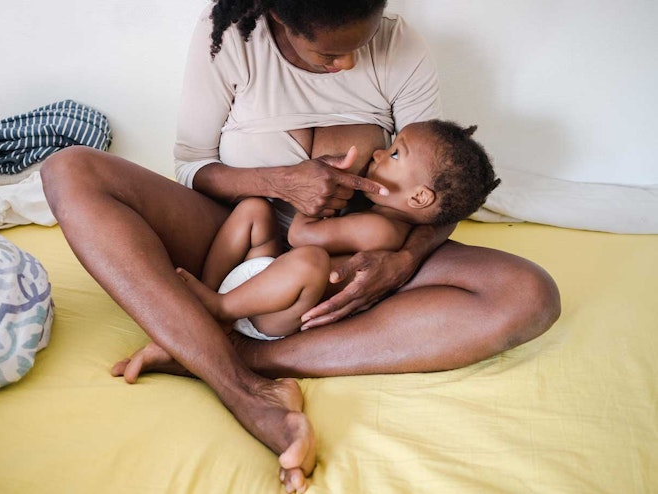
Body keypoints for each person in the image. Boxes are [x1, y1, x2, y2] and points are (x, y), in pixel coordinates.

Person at [40, 1, 561, 492]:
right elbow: (192, 165)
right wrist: (281, 182)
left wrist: (401, 260)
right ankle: (242, 390)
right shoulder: (231, 38)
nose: (351, 61)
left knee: (528, 293)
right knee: (70, 167)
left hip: (351, 268)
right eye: (330, 53)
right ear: (278, 18)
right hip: (242, 236)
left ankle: (228, 351)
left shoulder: (401, 46)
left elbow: (437, 192)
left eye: (366, 36)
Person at [178, 120, 500, 341]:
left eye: (395, 153)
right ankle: (206, 296)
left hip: (275, 312)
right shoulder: (380, 221)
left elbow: (298, 236)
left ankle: (218, 310)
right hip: (264, 284)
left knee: (311, 260)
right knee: (254, 209)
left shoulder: (380, 230)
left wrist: (317, 193)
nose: (378, 153)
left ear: (419, 197)